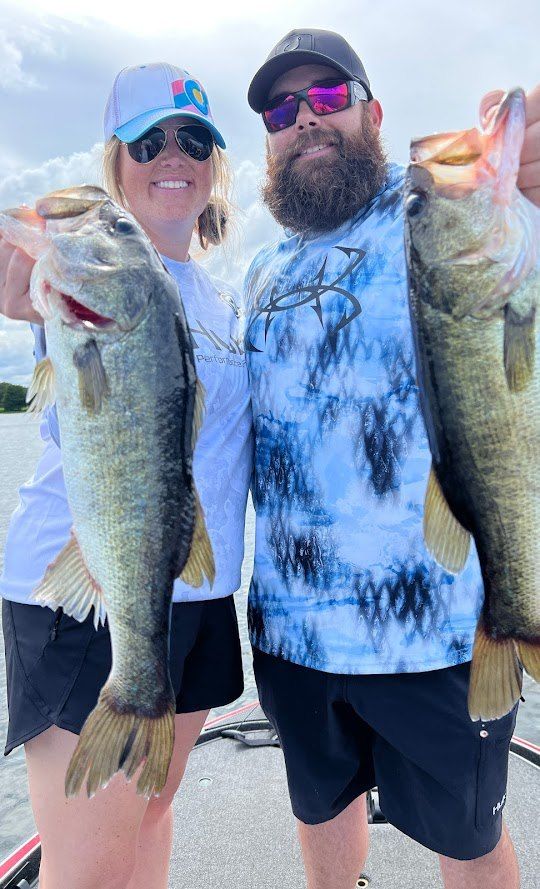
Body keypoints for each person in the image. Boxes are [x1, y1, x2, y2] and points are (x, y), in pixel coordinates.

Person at [244, 28, 540, 889]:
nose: (306, 119)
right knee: (319, 812)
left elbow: (504, 204)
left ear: (373, 113)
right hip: (291, 630)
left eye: (328, 98)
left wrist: (513, 158)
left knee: (472, 843)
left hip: (438, 632)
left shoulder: (432, 212)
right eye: (281, 108)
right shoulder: (260, 270)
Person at [0, 62, 251, 889]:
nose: (171, 155)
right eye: (147, 141)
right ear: (115, 161)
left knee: (153, 810)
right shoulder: (69, 282)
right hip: (80, 599)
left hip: (195, 594)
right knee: (92, 869)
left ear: (214, 162)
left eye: (192, 139)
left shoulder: (221, 302)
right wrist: (25, 285)